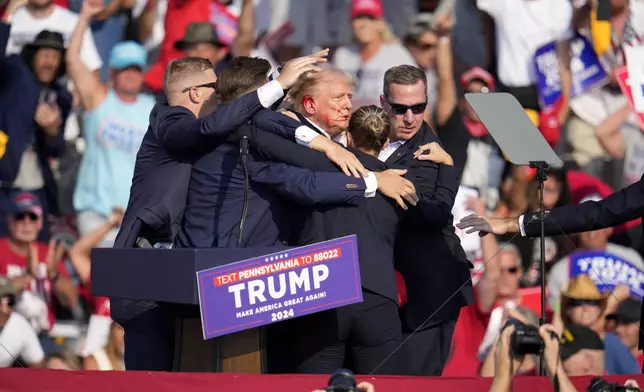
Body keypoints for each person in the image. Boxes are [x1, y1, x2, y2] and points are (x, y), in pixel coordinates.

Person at [111, 52, 329, 372]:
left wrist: (280, 85)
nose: (222, 92)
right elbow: (217, 123)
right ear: (196, 93)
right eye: (215, 85)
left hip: (177, 276)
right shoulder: (170, 121)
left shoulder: (211, 129)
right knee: (151, 380)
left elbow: (244, 114)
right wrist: (277, 85)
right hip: (146, 280)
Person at [251, 105, 457, 375]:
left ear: (347, 138)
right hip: (377, 301)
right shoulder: (399, 185)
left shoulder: (318, 170)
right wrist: (448, 165)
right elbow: (437, 213)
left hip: (323, 297)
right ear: (385, 142)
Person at [173, 59, 405, 250]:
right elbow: (306, 184)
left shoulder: (219, 133)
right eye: (270, 91)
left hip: (205, 256)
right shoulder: (244, 140)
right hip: (227, 265)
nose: (278, 99)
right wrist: (374, 180)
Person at [455, 174, 644, 355]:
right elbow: (595, 213)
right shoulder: (565, 267)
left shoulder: (629, 257)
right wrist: (515, 223)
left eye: (511, 270)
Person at [378, 65, 472, 376]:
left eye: (418, 108)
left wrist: (378, 182)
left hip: (430, 292)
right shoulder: (370, 135)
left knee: (414, 381)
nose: (409, 118)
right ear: (383, 103)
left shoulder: (430, 156)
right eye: (400, 108)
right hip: (396, 288)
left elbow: (435, 213)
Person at [66, 0, 155, 246]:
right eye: (123, 68)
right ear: (112, 73)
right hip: (96, 213)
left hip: (134, 217)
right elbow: (73, 60)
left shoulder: (152, 110)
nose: (130, 74)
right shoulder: (99, 100)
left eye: (136, 69)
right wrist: (84, 16)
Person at [0, 18, 70, 242]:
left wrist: (51, 131)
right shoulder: (16, 76)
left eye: (55, 57)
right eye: (45, 55)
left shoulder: (61, 96)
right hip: (4, 182)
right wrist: (8, 15)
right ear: (33, 57)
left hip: (36, 186)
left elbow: (57, 149)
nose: (50, 62)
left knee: (39, 249)